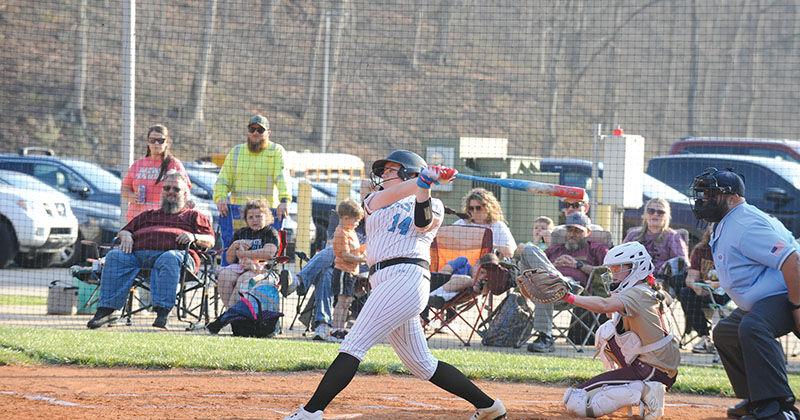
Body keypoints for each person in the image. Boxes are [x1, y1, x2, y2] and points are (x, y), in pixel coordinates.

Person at [285, 150, 506, 420]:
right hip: (384, 281)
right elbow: (387, 196)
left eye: (391, 170)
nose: (384, 175)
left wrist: (424, 187)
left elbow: (421, 221)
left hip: (407, 277)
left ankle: (310, 412)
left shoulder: (433, 205)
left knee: (353, 345)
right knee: (422, 364)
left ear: (408, 172)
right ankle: (489, 407)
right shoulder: (373, 201)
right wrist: (422, 180)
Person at [691, 167, 799, 419]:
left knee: (754, 327)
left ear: (732, 198)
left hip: (790, 290)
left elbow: (792, 261)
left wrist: (796, 306)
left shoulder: (744, 224)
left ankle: (780, 407)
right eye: (703, 194)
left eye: (710, 194)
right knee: (726, 332)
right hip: (770, 295)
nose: (703, 200)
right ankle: (757, 400)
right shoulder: (727, 221)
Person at [561, 241, 679, 419]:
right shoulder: (648, 288)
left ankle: (646, 390)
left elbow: (604, 305)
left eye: (617, 268)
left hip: (651, 370)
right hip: (657, 367)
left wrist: (568, 297)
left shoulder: (638, 293)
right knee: (607, 330)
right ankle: (639, 392)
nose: (612, 274)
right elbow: (612, 316)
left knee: (576, 401)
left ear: (636, 267)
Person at [86, 171, 215, 330]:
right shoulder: (148, 215)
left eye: (176, 189)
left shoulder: (194, 216)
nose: (171, 192)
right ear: (162, 191)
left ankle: (162, 312)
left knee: (168, 258)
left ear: (186, 193)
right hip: (139, 258)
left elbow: (210, 240)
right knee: (115, 256)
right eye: (167, 188)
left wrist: (193, 236)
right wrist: (126, 236)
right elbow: (125, 230)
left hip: (178, 258)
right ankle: (105, 311)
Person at [524, 212, 608, 353]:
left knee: (544, 284)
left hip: (575, 290)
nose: (572, 234)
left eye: (578, 231)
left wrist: (578, 265)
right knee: (529, 250)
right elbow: (536, 262)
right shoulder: (555, 249)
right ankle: (545, 338)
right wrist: (553, 265)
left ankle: (545, 337)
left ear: (588, 232)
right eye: (570, 230)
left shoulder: (596, 249)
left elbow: (607, 272)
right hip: (549, 287)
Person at [213, 114, 291, 248]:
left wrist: (284, 200)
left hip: (265, 218)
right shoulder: (236, 151)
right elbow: (223, 179)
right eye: (252, 129)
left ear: (268, 133)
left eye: (260, 130)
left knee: (264, 256)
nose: (255, 133)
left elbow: (282, 177)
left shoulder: (276, 151)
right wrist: (221, 198)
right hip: (239, 217)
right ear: (247, 132)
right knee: (234, 254)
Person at [678, 225, 731, 355]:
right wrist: (695, 286)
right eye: (713, 229)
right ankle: (704, 337)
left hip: (728, 293)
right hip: (705, 291)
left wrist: (718, 284)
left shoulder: (733, 250)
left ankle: (723, 342)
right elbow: (690, 278)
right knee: (685, 293)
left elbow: (738, 277)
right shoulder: (701, 250)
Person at [217, 199, 280, 308]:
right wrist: (235, 245)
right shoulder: (241, 233)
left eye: (258, 216)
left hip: (264, 270)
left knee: (244, 280)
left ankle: (231, 314)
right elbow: (229, 259)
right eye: (250, 217)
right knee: (224, 276)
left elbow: (269, 253)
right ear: (246, 219)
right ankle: (232, 313)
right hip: (240, 267)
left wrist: (244, 254)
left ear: (266, 217)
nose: (254, 220)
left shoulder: (270, 232)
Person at [121, 124, 190, 222]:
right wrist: (132, 196)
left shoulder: (174, 164)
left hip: (162, 219)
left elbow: (185, 190)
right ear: (148, 142)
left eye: (160, 141)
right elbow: (125, 188)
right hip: (137, 219)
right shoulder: (138, 164)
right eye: (152, 140)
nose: (156, 144)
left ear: (167, 142)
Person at [329, 199, 367, 342]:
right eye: (356, 220)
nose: (357, 223)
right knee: (342, 300)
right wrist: (362, 260)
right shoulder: (341, 232)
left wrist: (364, 250)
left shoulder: (351, 231)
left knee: (348, 301)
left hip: (352, 272)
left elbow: (354, 250)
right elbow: (344, 255)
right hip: (343, 271)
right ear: (345, 218)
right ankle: (335, 329)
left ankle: (341, 328)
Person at [623, 198, 689, 274]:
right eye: (651, 211)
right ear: (645, 215)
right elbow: (621, 259)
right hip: (633, 279)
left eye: (660, 212)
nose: (655, 214)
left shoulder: (673, 237)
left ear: (666, 217)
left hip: (662, 280)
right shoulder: (633, 235)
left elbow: (681, 263)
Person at [455, 188, 516, 258]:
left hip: (489, 264)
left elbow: (510, 252)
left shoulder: (498, 226)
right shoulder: (461, 224)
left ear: (488, 208)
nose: (474, 211)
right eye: (471, 208)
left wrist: (486, 246)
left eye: (478, 208)